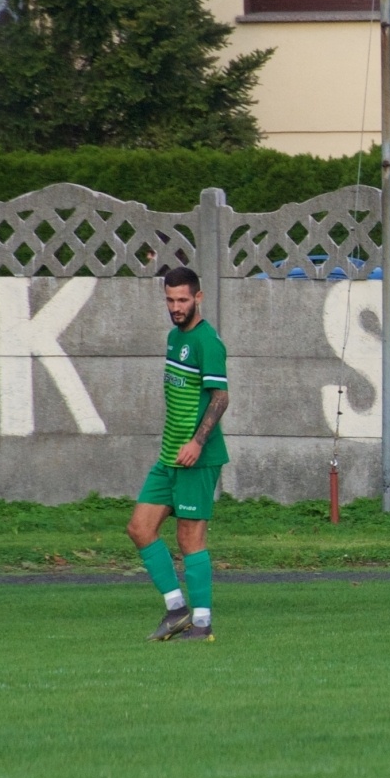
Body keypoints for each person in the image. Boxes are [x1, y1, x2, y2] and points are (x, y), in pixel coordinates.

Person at [125, 266, 230, 642]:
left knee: (190, 540)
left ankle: (202, 624)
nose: (176, 307)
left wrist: (197, 442)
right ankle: (177, 610)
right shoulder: (174, 338)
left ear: (198, 298)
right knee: (139, 528)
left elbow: (221, 396)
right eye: (170, 300)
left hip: (196, 456)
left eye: (183, 299)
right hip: (169, 456)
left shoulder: (207, 342)